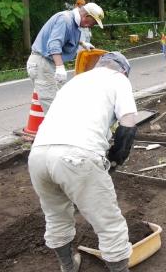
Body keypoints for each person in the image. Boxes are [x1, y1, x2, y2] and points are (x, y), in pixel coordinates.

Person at [28, 52, 137, 272]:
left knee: (56, 214)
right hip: (77, 155)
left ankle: (68, 266)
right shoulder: (118, 79)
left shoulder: (75, 81)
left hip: (38, 155)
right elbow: (129, 121)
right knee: (108, 223)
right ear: (123, 70)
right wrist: (117, 157)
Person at [27, 3, 104, 113]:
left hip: (49, 63)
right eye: (93, 23)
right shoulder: (65, 19)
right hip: (42, 63)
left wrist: (82, 43)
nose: (91, 26)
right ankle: (55, 129)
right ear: (87, 17)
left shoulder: (73, 23)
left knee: (63, 100)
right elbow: (54, 43)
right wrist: (60, 66)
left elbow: (65, 37)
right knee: (53, 107)